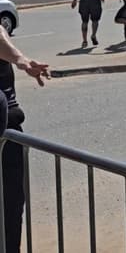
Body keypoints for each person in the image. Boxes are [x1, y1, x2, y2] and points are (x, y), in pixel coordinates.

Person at [0, 25, 50, 253]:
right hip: (7, 132)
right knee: (9, 207)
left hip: (7, 128)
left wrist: (22, 60)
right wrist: (21, 61)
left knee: (10, 208)